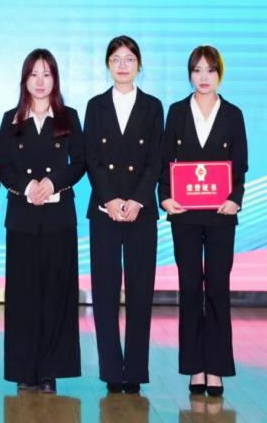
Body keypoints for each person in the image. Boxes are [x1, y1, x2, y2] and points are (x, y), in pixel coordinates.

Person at [158, 46, 248, 398]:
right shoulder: (177, 112)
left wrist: (235, 198)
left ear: (219, 74)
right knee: (191, 287)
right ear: (190, 74)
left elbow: (239, 164)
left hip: (222, 215)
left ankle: (217, 369)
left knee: (218, 289)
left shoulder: (233, 114)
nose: (203, 77)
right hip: (185, 215)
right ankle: (195, 366)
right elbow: (165, 160)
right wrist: (165, 196)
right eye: (197, 70)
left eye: (210, 70)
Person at [0, 48, 86, 393]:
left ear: (55, 79)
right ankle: (24, 370)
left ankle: (49, 371)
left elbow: (80, 162)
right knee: (22, 297)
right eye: (34, 74)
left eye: (47, 74)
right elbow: (2, 167)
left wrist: (53, 181)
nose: (40, 81)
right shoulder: (11, 119)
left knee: (56, 296)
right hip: (22, 219)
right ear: (25, 79)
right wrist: (27, 186)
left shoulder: (68, 118)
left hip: (59, 218)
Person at [83, 35, 164, 394]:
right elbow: (92, 158)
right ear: (107, 64)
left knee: (140, 291)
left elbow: (156, 159)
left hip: (141, 212)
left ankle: (135, 372)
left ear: (139, 65)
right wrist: (111, 199)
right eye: (116, 59)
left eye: (129, 59)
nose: (122, 65)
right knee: (104, 293)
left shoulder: (153, 107)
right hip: (105, 211)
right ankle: (112, 371)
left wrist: (137, 200)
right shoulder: (95, 106)